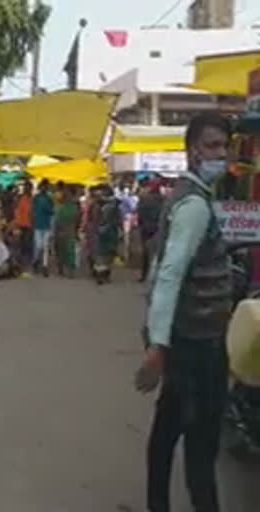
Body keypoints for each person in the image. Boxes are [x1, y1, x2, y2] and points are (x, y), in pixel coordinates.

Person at [135, 113, 233, 512]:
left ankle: (157, 504)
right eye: (212, 146)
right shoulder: (193, 205)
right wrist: (157, 344)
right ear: (192, 151)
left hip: (185, 340)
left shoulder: (186, 196)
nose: (221, 155)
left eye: (224, 147)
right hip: (199, 347)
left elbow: (159, 270)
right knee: (201, 447)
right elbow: (171, 273)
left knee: (166, 434)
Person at [90, 185, 122, 284]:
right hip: (110, 231)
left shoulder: (99, 204)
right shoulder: (114, 205)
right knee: (108, 254)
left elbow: (95, 218)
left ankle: (101, 275)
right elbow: (118, 219)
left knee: (102, 254)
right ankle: (105, 275)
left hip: (103, 231)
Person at [136, 178, 165, 282]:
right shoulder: (163, 199)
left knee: (146, 252)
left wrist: (140, 224)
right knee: (158, 252)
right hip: (158, 228)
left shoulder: (144, 198)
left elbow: (139, 213)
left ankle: (145, 275)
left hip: (146, 228)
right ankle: (156, 275)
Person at [54, 187, 80, 278]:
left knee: (61, 250)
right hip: (70, 231)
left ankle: (62, 268)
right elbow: (77, 220)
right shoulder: (74, 208)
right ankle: (70, 270)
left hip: (61, 232)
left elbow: (57, 221)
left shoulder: (60, 208)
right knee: (70, 251)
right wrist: (76, 231)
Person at [32, 179, 55, 275]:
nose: (44, 188)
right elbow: (32, 210)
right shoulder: (36, 198)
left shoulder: (49, 199)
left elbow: (52, 211)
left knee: (45, 246)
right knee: (38, 246)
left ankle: (45, 266)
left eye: (46, 186)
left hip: (46, 225)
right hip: (38, 225)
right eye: (43, 186)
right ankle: (36, 261)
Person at [14, 182, 34, 268]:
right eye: (26, 188)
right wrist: (18, 224)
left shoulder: (33, 199)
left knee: (28, 244)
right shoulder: (22, 199)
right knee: (23, 244)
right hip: (22, 224)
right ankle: (23, 262)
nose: (27, 190)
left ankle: (27, 261)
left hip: (30, 225)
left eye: (28, 188)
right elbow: (18, 212)